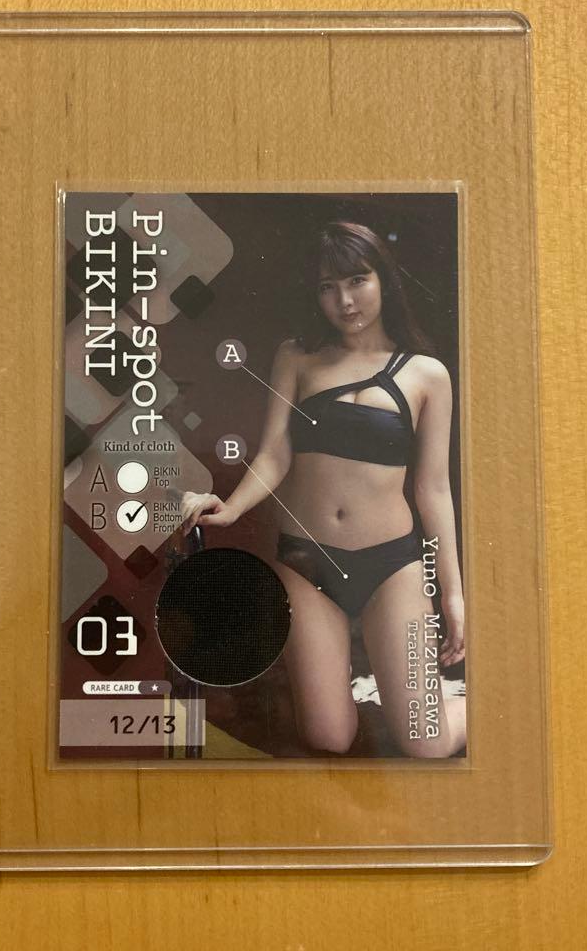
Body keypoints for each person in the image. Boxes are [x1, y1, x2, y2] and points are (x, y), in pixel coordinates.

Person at [180, 221, 466, 757]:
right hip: (307, 561)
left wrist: (452, 593)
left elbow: (433, 489)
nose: (345, 301)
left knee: (427, 744)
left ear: (383, 280)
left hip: (393, 564)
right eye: (328, 287)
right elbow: (274, 453)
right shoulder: (297, 357)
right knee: (329, 737)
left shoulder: (428, 375)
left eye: (357, 281)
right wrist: (230, 507)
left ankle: (460, 701)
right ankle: (371, 690)